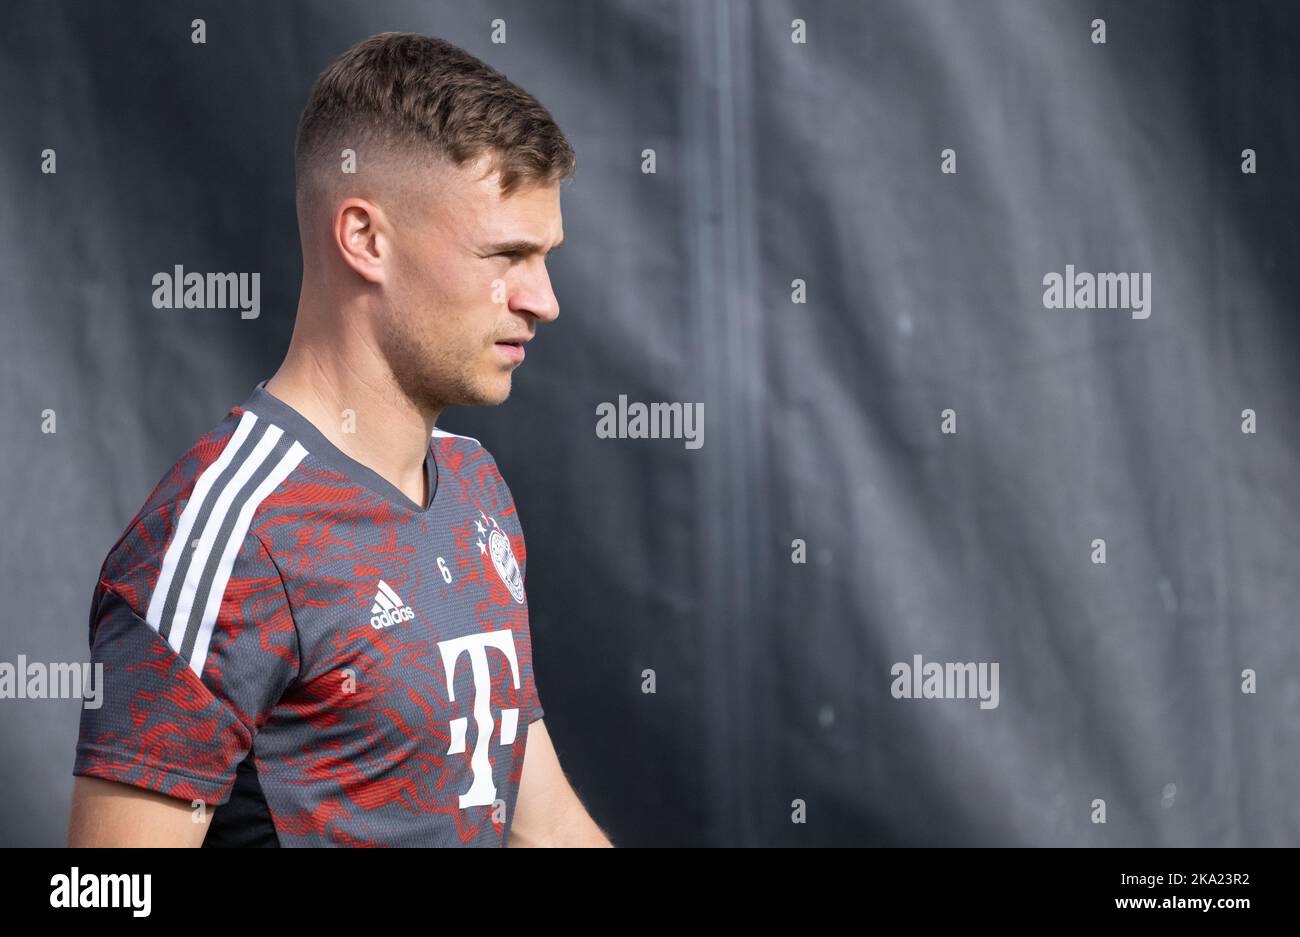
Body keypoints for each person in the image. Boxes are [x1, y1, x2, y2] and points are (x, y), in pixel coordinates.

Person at [67, 31, 610, 847]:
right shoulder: (227, 535)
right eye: (507, 254)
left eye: (546, 256)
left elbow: (544, 823)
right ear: (364, 240)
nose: (543, 299)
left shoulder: (475, 486)